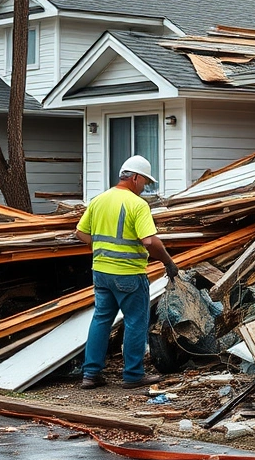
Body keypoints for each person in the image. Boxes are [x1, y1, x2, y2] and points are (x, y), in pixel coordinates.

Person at [75, 155, 179, 389]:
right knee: (135, 322)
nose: (145, 187)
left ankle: (90, 375)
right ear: (135, 177)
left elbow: (80, 232)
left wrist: (101, 248)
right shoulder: (137, 204)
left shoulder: (99, 199)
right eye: (145, 182)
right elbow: (150, 242)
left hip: (101, 271)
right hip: (129, 274)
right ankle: (133, 375)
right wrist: (168, 262)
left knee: (101, 320)